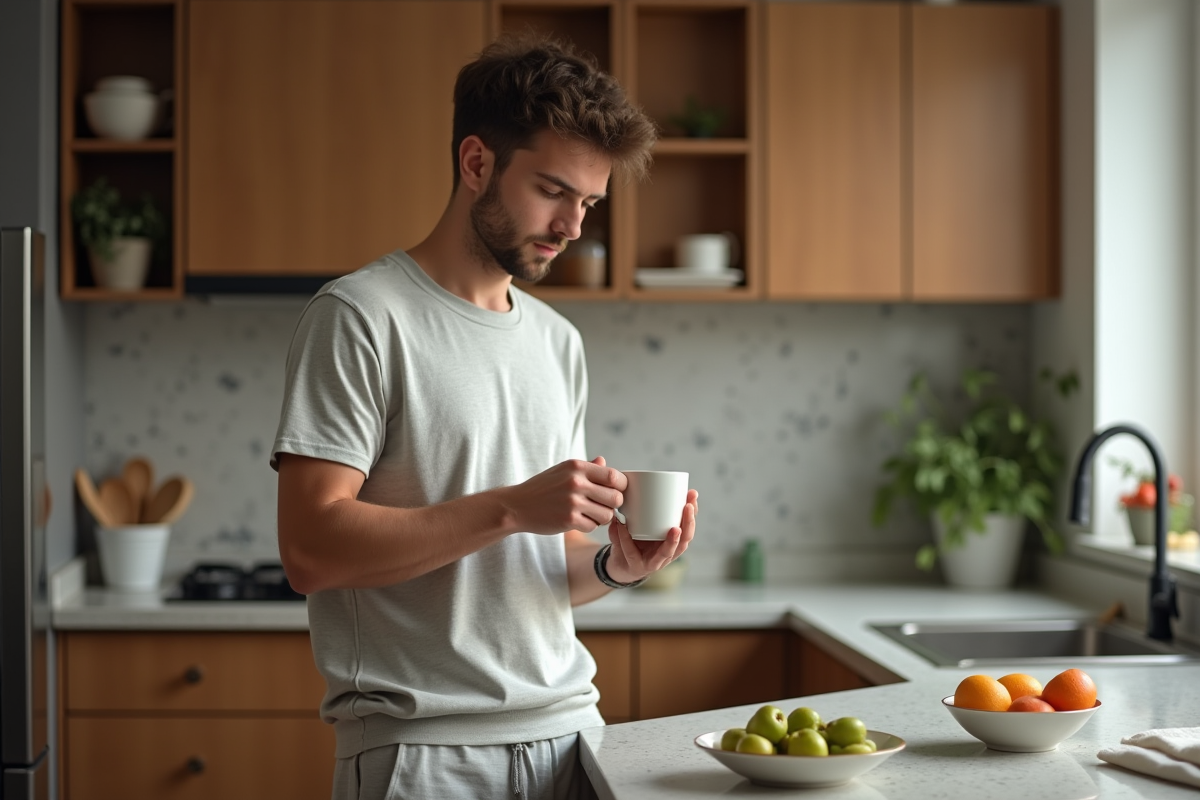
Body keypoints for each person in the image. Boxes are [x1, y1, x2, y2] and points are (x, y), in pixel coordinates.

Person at [271, 33, 698, 800]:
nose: (573, 226)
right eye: (554, 191)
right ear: (476, 164)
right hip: (425, 756)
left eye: (589, 203)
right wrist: (509, 507)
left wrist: (613, 565)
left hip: (572, 738)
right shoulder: (361, 317)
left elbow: (526, 574)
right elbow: (309, 549)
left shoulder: (557, 341)